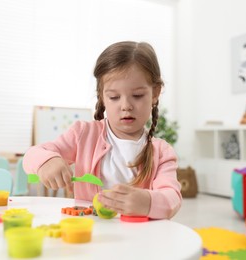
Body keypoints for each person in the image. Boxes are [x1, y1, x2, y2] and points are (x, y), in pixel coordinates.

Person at [23, 41, 182, 219]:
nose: (126, 106)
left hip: (139, 239)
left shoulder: (161, 152)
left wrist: (148, 202)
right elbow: (31, 155)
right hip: (89, 234)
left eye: (137, 96)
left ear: (155, 93)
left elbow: (172, 197)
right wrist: (47, 161)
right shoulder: (83, 134)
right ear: (102, 97)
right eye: (114, 97)